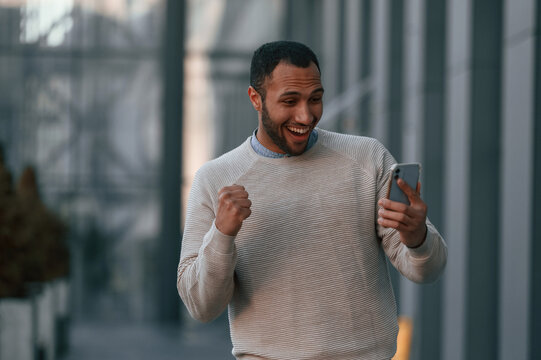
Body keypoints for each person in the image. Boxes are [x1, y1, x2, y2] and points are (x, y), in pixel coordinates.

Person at [177, 40, 447, 360]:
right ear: (255, 99)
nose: (305, 116)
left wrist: (417, 238)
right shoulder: (215, 179)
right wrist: (221, 235)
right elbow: (201, 306)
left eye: (315, 99)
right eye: (290, 101)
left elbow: (428, 271)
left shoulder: (367, 158)